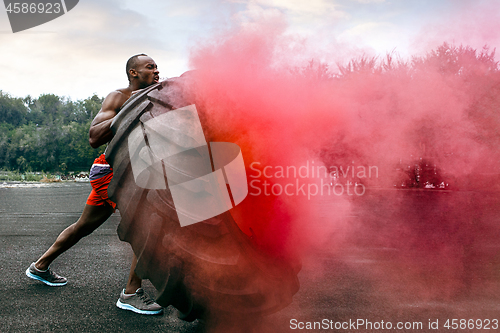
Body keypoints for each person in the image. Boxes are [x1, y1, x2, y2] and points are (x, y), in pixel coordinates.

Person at [26, 54, 163, 315]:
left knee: (82, 227)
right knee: (144, 226)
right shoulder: (119, 97)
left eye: (157, 67)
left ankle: (40, 266)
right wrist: (132, 111)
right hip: (111, 170)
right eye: (150, 67)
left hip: (133, 172)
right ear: (133, 73)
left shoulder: (157, 98)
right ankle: (131, 294)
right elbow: (94, 136)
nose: (157, 71)